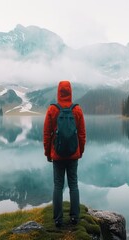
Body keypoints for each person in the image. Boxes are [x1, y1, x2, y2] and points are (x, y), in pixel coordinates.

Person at [43, 80, 86, 228]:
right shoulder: (77, 110)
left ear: (59, 92)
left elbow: (47, 135)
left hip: (57, 154)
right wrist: (80, 151)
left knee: (58, 186)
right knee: (73, 185)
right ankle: (75, 218)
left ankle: (58, 220)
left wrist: (48, 153)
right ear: (70, 92)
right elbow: (82, 134)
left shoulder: (52, 110)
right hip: (74, 154)